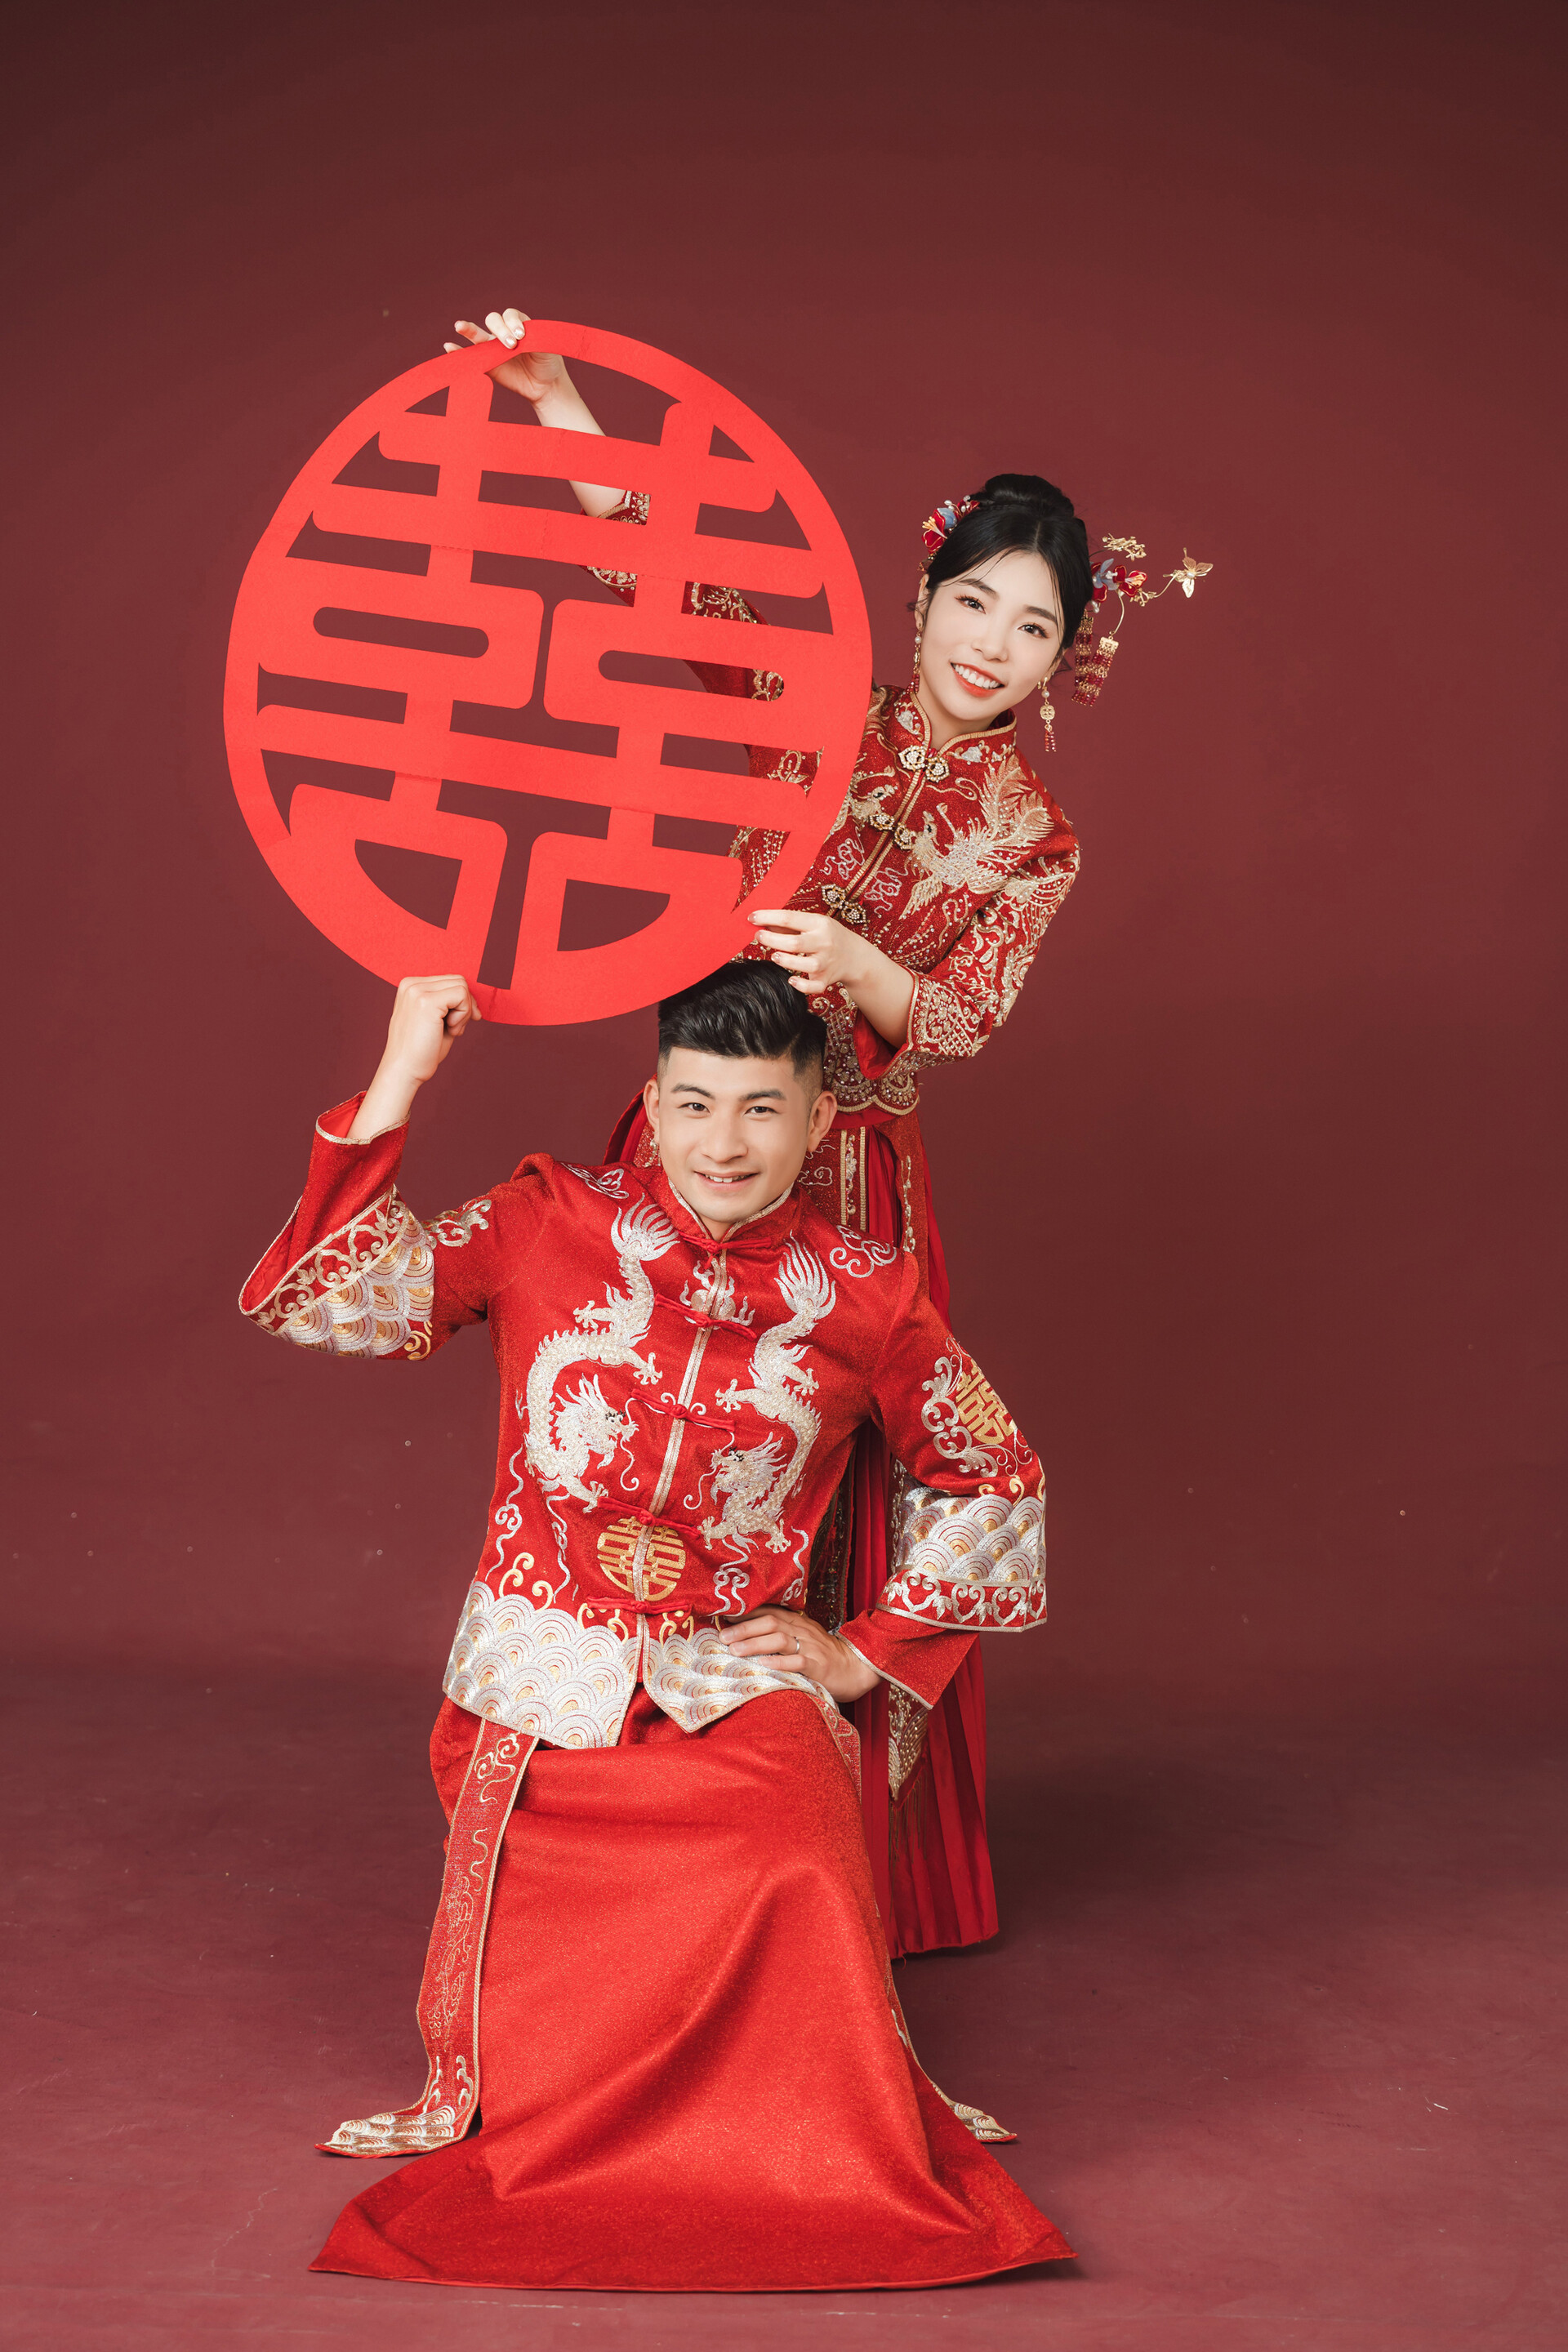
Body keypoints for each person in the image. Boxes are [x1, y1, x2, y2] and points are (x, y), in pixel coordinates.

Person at [240, 957, 1072, 2292]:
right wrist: (402, 1072)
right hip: (542, 1702)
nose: (722, 1144)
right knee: (556, 2047)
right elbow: (326, 1296)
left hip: (736, 1686)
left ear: (817, 1120)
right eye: (694, 1104)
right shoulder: (545, 1219)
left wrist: (861, 1654)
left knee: (801, 1880)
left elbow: (997, 1478)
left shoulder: (868, 1292)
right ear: (654, 1099)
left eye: (760, 1109)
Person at [444, 305, 1092, 1958]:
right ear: (923, 597)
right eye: (974, 603)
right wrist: (556, 401)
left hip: (854, 1167)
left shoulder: (1036, 838)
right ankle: (623, 1807)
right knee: (639, 1429)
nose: (991, 646)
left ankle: (837, 1859)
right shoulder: (819, 714)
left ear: (1062, 659)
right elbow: (672, 587)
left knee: (834, 1474)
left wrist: (863, 967)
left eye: (1032, 627)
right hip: (706, 1126)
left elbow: (964, 1017)